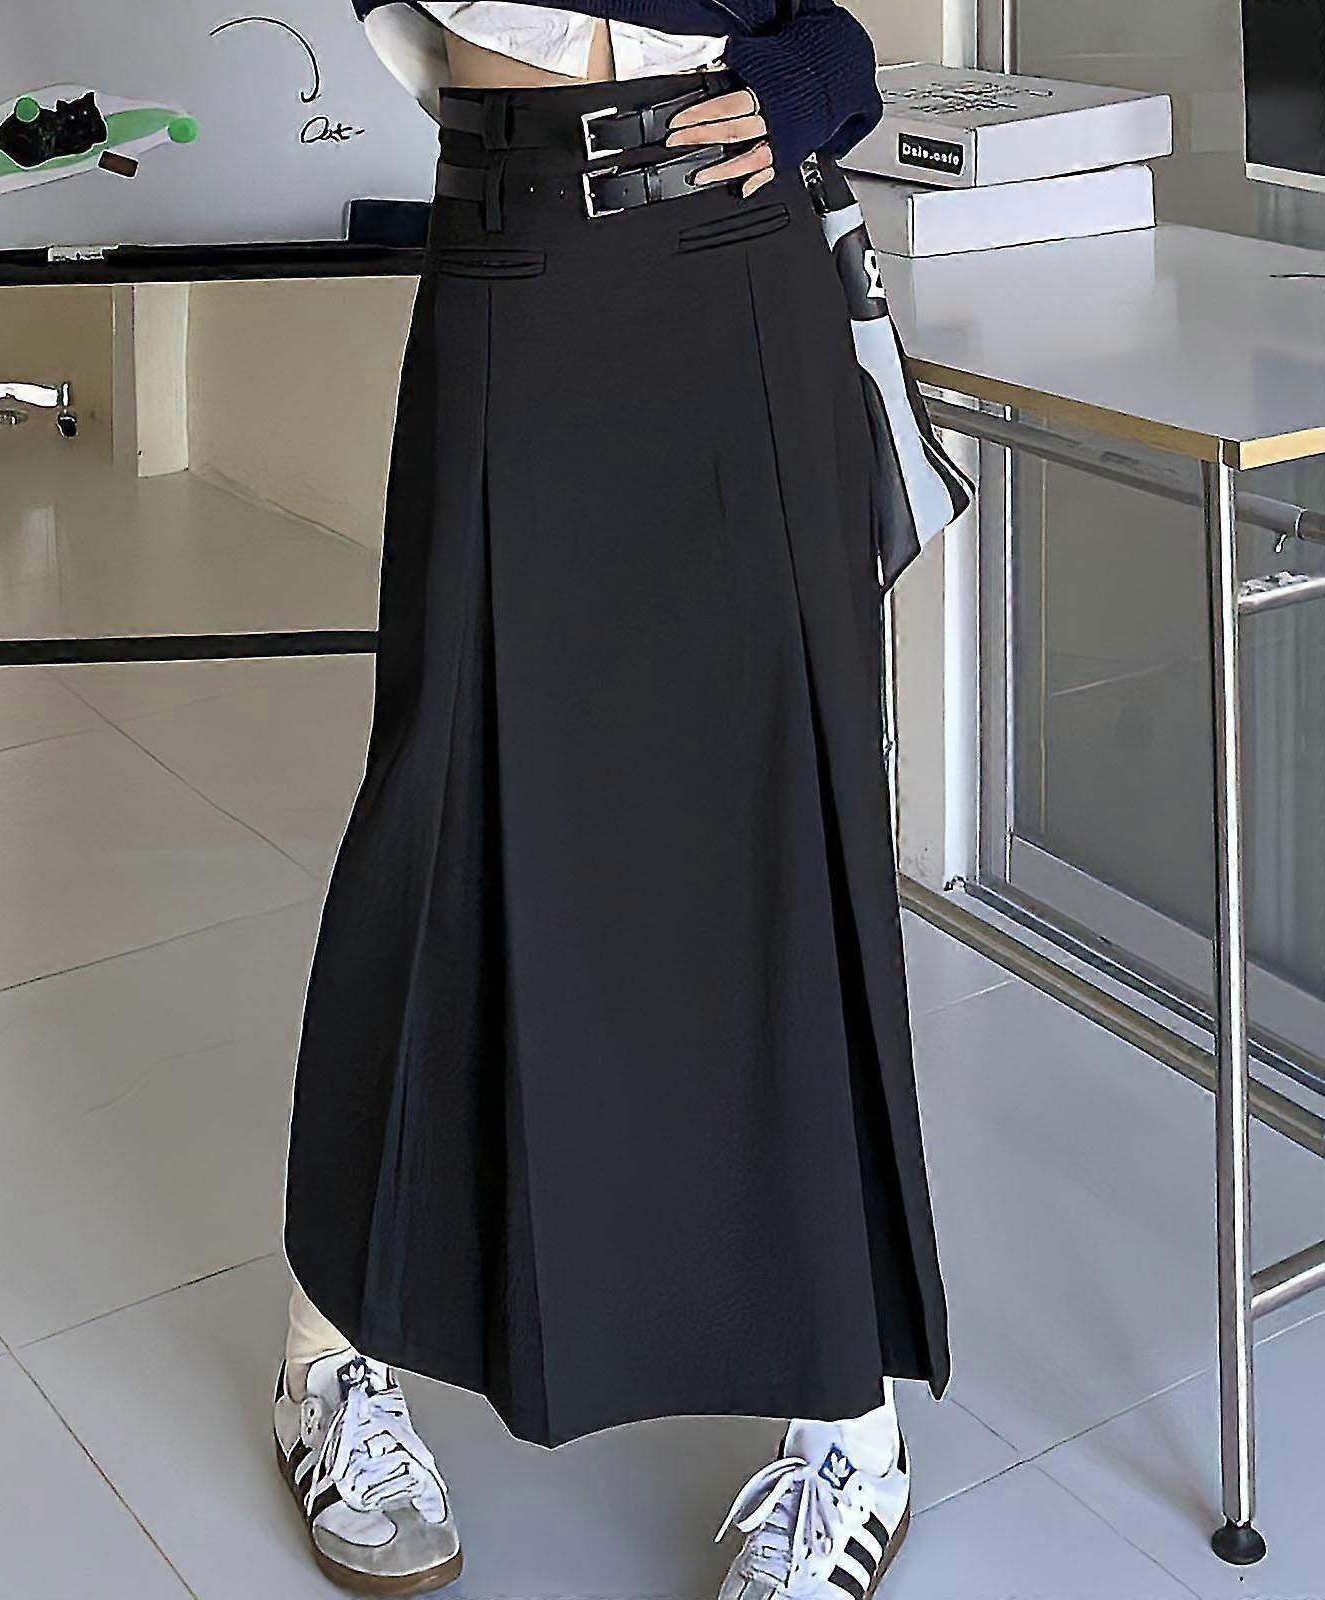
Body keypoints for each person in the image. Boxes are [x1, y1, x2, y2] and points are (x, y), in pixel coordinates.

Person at [274, 4, 951, 1596]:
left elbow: (818, 27)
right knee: (437, 820)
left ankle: (847, 1430)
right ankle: (326, 1360)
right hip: (513, 244)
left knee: (781, 825)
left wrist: (820, 68)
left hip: (733, 246)